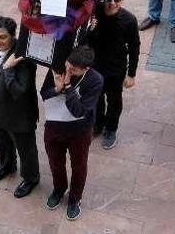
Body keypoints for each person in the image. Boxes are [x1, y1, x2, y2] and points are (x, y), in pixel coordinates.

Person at [40, 45, 103, 221]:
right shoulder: (59, 68)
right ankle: (59, 189)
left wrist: (67, 86)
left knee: (79, 165)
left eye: (73, 69)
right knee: (55, 162)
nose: (68, 69)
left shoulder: (95, 80)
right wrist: (56, 89)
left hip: (79, 131)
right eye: (68, 64)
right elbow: (44, 93)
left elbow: (78, 111)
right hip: (54, 126)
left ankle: (75, 198)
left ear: (86, 68)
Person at [0, 16, 40, 198]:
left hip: (19, 116)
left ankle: (31, 178)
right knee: (2, 142)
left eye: (3, 37)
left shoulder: (24, 58)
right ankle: (7, 165)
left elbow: (20, 92)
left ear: (13, 36)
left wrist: (8, 70)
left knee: (26, 150)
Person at [86, 0, 139, 149]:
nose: (112, 3)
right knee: (97, 98)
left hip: (116, 68)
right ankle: (98, 124)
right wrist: (90, 29)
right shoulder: (95, 12)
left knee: (114, 100)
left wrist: (131, 74)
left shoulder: (129, 20)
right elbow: (86, 40)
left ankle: (111, 129)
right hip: (95, 65)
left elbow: (134, 47)